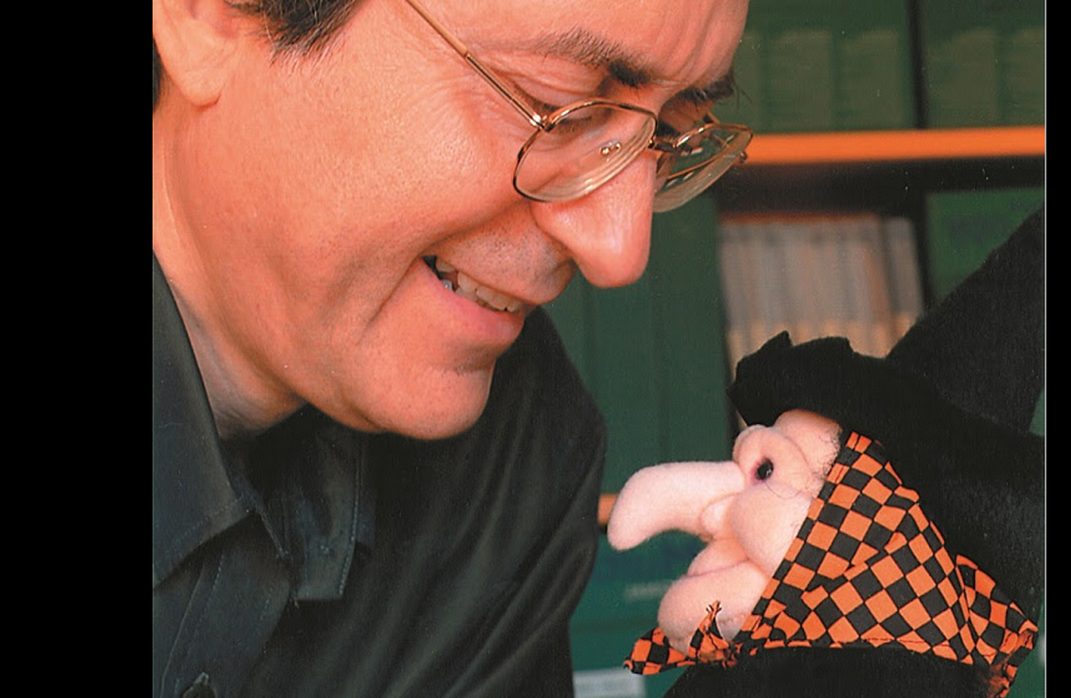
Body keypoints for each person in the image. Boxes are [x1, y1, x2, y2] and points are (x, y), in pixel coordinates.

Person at [152, 0, 751, 695]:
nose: (619, 251)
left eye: (670, 131)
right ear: (209, 17)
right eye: (555, 104)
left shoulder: (520, 456)